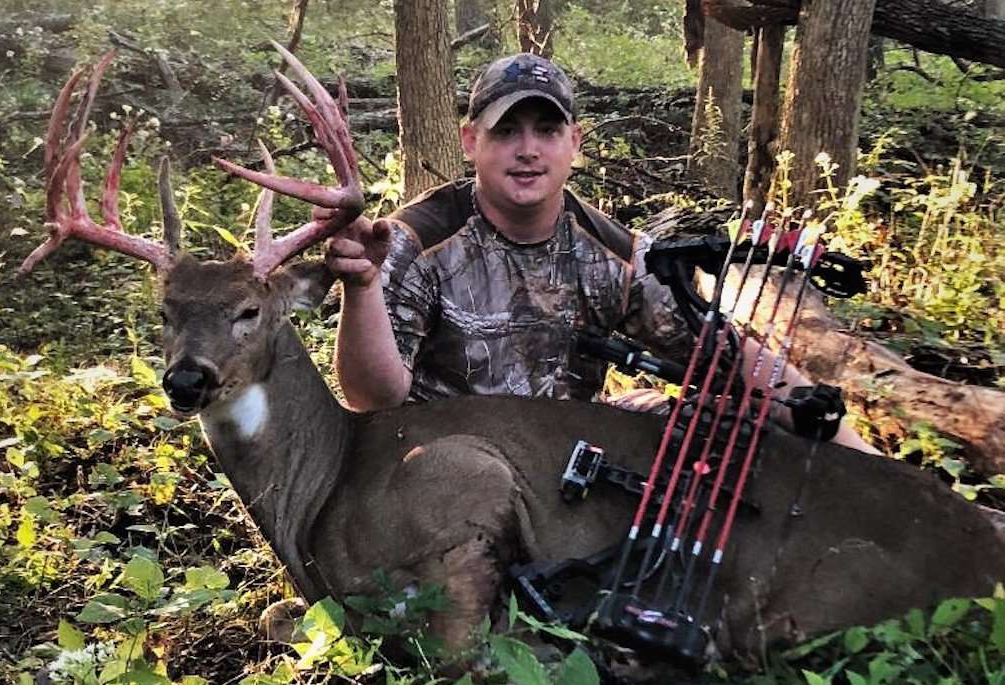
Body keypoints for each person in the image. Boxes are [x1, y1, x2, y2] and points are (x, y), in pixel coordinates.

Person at [324, 52, 876, 453]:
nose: (527, 150)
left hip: (564, 455)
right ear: (472, 142)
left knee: (720, 427)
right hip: (449, 461)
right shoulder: (414, 241)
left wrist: (854, 450)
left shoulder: (612, 251)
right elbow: (373, 400)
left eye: (546, 129)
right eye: (506, 130)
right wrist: (363, 288)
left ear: (574, 144)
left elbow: (724, 358)